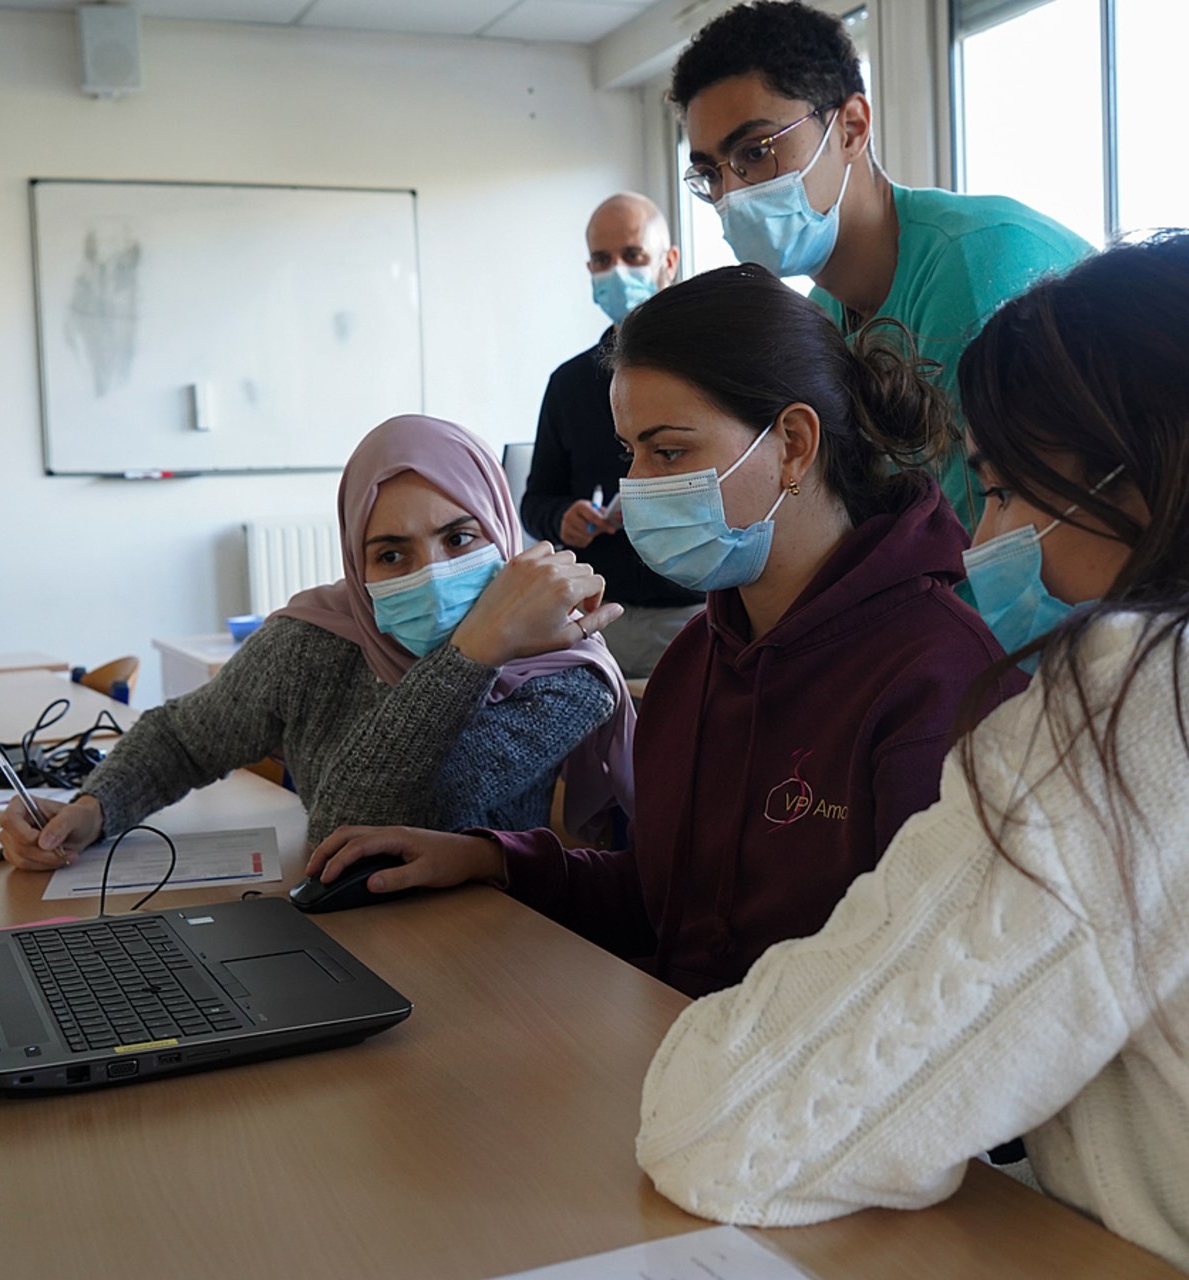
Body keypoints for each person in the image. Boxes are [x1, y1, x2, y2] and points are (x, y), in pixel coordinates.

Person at [633, 234, 1189, 1271]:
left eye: (1008, 490)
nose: (986, 536)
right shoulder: (699, 658)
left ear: (1138, 473)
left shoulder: (1123, 709)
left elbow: (729, 1129)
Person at [304, 266, 1021, 999]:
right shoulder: (697, 664)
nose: (634, 488)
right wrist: (496, 860)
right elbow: (670, 906)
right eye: (630, 455)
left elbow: (928, 995)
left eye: (669, 452)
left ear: (795, 445)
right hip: (683, 1061)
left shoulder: (939, 679)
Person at [0, 415, 635, 870]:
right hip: (328, 929)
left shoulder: (561, 669)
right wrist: (95, 806)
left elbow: (359, 825)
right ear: (358, 569)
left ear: (501, 530)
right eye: (391, 553)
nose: (432, 572)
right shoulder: (316, 641)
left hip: (493, 948)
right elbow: (185, 738)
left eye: (460, 539)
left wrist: (475, 650)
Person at [671, 0, 1093, 533]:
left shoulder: (976, 264)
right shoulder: (822, 317)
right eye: (710, 173)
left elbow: (1009, 545)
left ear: (850, 128)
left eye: (756, 151)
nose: (731, 192)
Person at [521, 192, 703, 679]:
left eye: (633, 255)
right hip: (598, 616)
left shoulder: (708, 372)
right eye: (602, 260)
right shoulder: (571, 383)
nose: (617, 270)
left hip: (696, 611)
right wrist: (563, 517)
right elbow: (535, 499)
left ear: (668, 262)